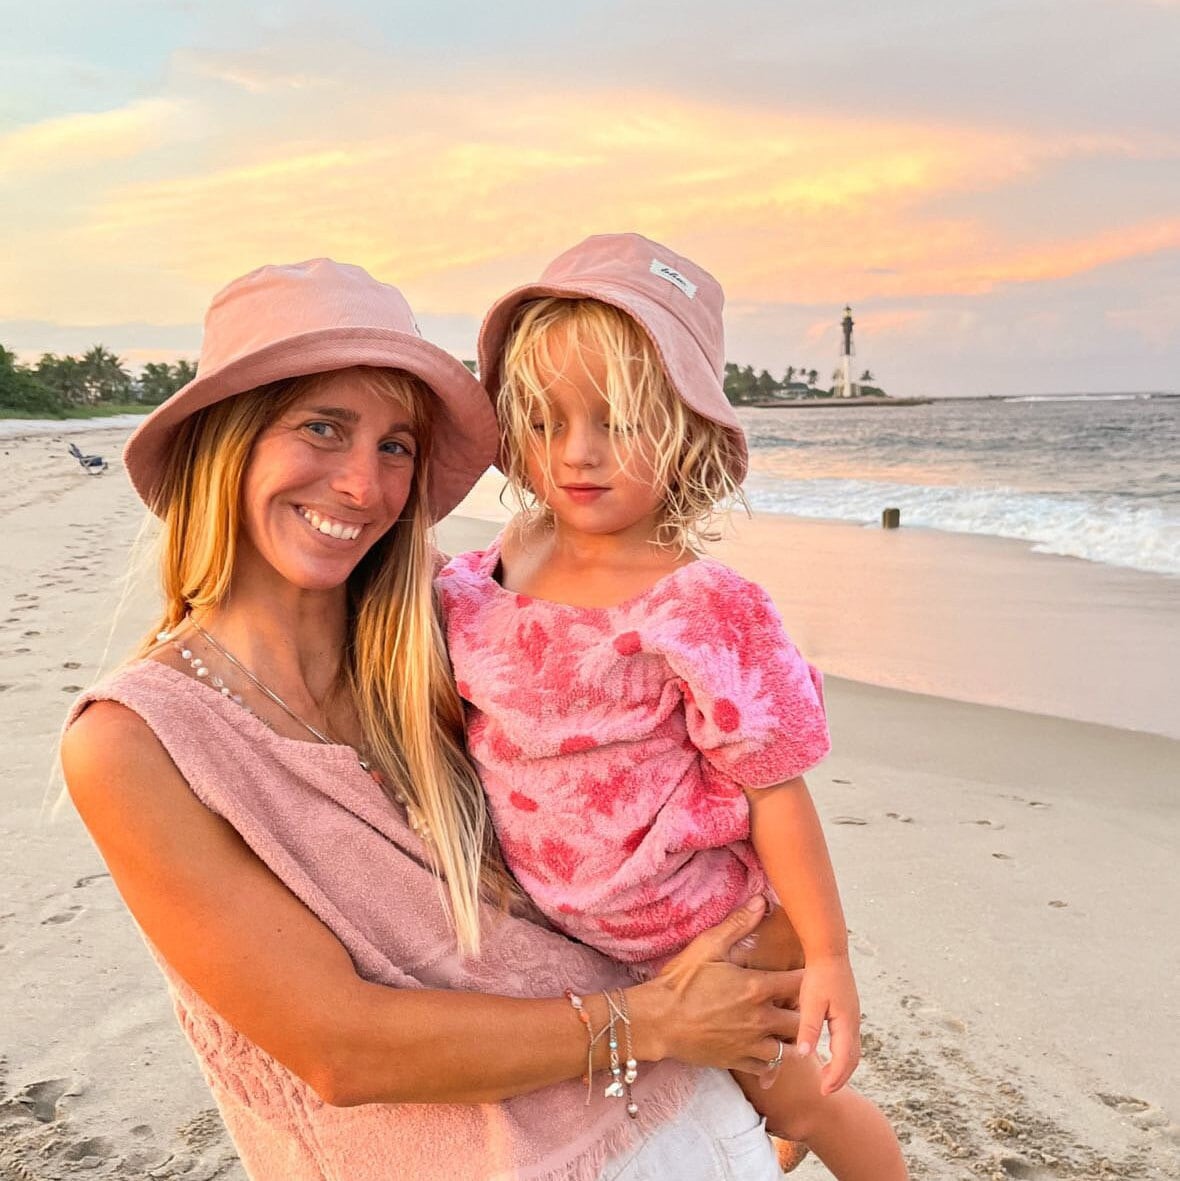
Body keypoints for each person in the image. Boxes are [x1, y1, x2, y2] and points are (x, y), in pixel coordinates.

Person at [61, 258, 811, 1181]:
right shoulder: (137, 741)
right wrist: (656, 1020)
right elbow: (342, 1049)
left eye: (396, 445)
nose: (363, 486)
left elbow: (724, 782)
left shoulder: (459, 624)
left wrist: (771, 981)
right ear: (228, 440)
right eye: (323, 428)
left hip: (681, 1122)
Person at [438, 234, 908, 1178]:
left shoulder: (700, 605)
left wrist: (828, 955)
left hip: (704, 930)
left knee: (797, 1096)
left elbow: (775, 789)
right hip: (566, 938)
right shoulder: (481, 576)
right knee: (708, 1098)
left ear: (689, 426)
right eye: (546, 420)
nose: (579, 453)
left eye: (621, 422)